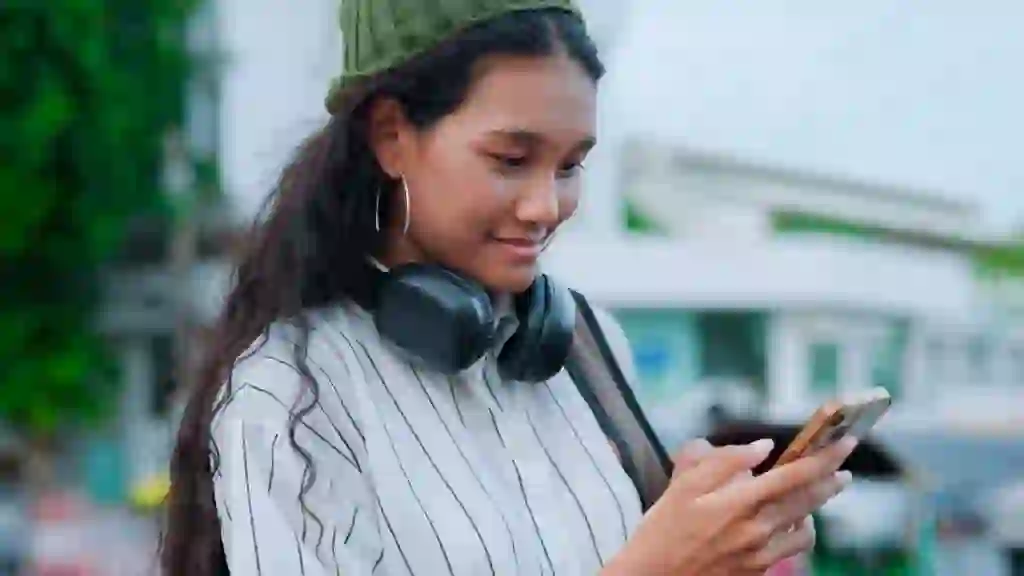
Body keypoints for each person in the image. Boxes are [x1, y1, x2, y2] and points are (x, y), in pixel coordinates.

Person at [160, 0, 857, 574]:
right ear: (392, 136)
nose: (545, 206)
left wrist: (716, 541)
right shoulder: (291, 395)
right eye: (511, 159)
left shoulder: (590, 348)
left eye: (569, 166)